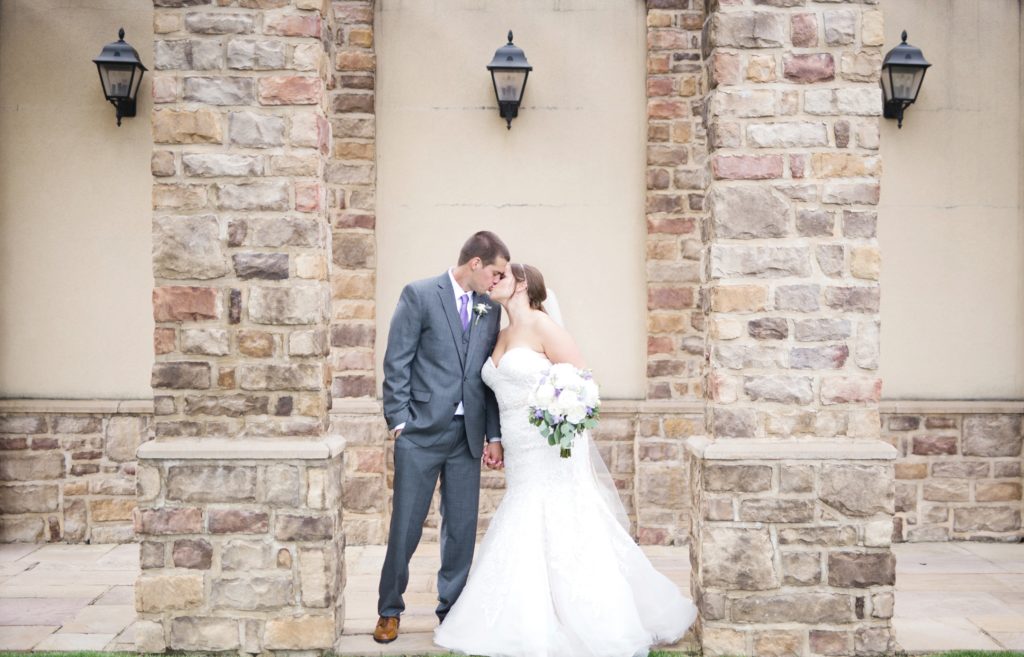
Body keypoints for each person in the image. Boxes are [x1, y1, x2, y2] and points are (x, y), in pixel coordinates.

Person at [434, 262, 697, 657]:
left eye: (501, 276)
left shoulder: (544, 327)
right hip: (519, 447)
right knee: (524, 512)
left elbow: (582, 383)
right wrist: (497, 439)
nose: (493, 281)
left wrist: (558, 414)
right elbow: (492, 391)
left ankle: (583, 613)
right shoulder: (499, 333)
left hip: (549, 443)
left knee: (559, 517)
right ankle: (529, 611)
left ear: (522, 283)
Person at [374, 231, 510, 644]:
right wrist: (399, 421)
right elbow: (397, 361)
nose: (497, 281)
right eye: (495, 272)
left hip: (467, 436)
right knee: (406, 526)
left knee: (462, 530)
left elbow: (486, 378)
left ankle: (451, 611)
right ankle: (389, 610)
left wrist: (492, 435)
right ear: (475, 263)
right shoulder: (419, 295)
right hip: (420, 433)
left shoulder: (489, 308)